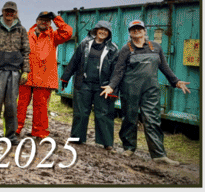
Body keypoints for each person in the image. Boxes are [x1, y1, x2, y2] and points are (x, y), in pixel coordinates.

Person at [101, 19, 190, 164]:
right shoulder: (126, 49)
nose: (137, 31)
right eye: (133, 29)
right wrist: (111, 86)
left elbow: (165, 67)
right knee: (129, 119)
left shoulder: (156, 47)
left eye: (139, 29)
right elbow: (119, 71)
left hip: (151, 90)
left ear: (144, 31)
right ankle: (129, 148)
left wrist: (176, 81)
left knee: (153, 120)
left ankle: (159, 155)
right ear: (130, 33)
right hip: (130, 89)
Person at [61, 20, 118, 148]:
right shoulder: (84, 44)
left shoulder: (113, 49)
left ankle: (106, 143)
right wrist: (65, 78)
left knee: (103, 113)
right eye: (100, 29)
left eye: (106, 30)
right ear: (96, 30)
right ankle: (77, 138)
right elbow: (74, 61)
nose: (103, 32)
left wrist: (113, 88)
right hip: (83, 84)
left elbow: (116, 70)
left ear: (109, 33)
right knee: (80, 112)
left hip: (102, 86)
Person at [16, 11, 73, 138]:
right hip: (26, 76)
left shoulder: (53, 36)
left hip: (44, 79)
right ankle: (15, 129)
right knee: (20, 105)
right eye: (42, 19)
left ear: (50, 23)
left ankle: (39, 132)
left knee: (41, 108)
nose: (44, 22)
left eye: (47, 20)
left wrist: (56, 18)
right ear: (36, 21)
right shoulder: (26, 35)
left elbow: (68, 32)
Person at [0, 1, 31, 141]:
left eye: (12, 11)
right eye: (6, 11)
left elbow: (26, 52)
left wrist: (25, 71)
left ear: (15, 13)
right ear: (2, 11)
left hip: (14, 72)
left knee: (11, 105)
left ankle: (10, 135)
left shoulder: (21, 30)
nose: (9, 14)